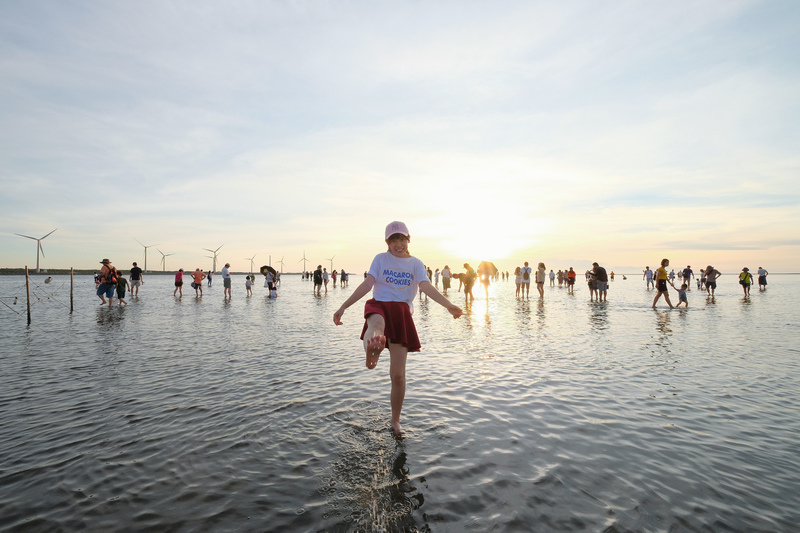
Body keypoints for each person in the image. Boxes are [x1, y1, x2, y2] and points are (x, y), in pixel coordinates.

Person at [333, 221, 462, 436]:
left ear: (408, 240)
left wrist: (448, 305)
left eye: (402, 239)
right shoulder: (380, 259)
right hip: (380, 304)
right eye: (394, 240)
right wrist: (343, 306)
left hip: (402, 312)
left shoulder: (416, 264)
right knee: (376, 326)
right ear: (387, 243)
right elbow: (367, 284)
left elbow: (426, 286)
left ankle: (395, 422)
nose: (398, 244)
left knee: (398, 376)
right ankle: (372, 346)